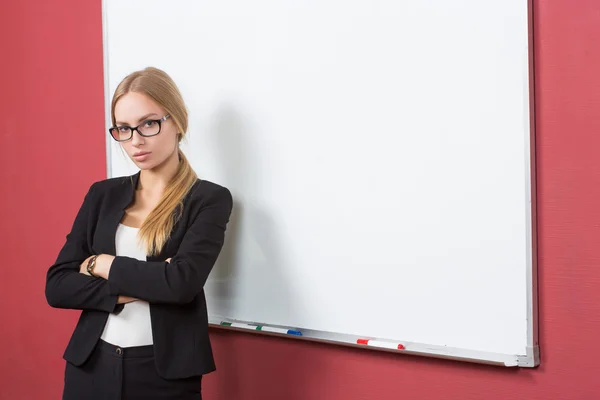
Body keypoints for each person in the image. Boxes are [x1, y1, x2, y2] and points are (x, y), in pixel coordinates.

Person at [45, 66, 233, 400]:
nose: (135, 141)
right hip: (90, 365)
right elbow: (58, 286)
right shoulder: (102, 195)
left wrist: (100, 264)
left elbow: (181, 284)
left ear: (175, 121)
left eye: (148, 124)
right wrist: (151, 281)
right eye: (123, 129)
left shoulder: (209, 199)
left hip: (164, 375)